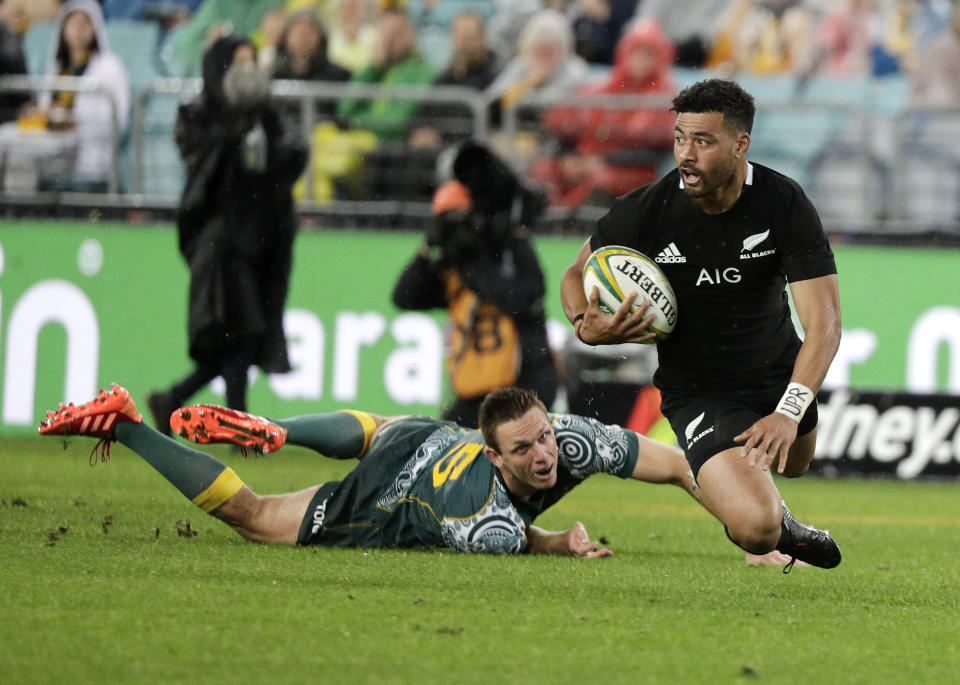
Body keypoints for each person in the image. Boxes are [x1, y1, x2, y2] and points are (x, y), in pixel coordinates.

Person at [37, 384, 837, 563]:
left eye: (543, 440)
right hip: (395, 494)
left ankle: (279, 427)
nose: (544, 455)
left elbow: (676, 464)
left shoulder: (570, 438)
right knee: (250, 514)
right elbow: (519, 540)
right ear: (499, 457)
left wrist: (746, 532)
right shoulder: (484, 517)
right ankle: (128, 422)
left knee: (384, 426)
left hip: (417, 433)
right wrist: (558, 543)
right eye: (525, 450)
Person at [559, 79, 843, 571]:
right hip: (699, 388)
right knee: (756, 531)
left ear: (740, 144)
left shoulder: (782, 203)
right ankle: (783, 527)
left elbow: (826, 325)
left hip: (776, 372)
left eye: (703, 141)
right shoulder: (649, 209)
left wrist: (789, 411)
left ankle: (776, 507)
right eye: (679, 138)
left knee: (795, 465)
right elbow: (575, 272)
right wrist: (586, 324)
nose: (685, 154)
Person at [145, 36, 308, 435]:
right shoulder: (199, 115)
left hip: (264, 239)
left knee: (241, 338)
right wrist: (232, 129)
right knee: (241, 333)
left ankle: (173, 399)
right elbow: (202, 168)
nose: (247, 71)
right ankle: (241, 428)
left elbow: (292, 158)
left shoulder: (270, 116)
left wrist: (262, 122)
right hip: (222, 241)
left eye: (253, 62)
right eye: (238, 63)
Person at [392, 141, 558, 428]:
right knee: (443, 452)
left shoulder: (511, 246)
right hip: (474, 385)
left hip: (523, 383)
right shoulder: (453, 261)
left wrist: (477, 270)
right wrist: (430, 246)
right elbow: (405, 297)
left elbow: (525, 300)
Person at [533, 17, 678, 207]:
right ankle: (545, 223)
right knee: (543, 172)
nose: (640, 60)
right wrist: (568, 157)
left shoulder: (665, 97)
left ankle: (572, 222)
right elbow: (564, 127)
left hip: (634, 170)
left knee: (601, 180)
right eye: (636, 51)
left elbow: (657, 149)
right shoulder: (600, 90)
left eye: (648, 53)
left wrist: (605, 160)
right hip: (588, 159)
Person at [35, 0, 130, 191]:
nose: (79, 29)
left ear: (95, 28)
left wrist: (76, 119)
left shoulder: (110, 67)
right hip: (53, 157)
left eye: (85, 23)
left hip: (93, 162)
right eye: (73, 23)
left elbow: (120, 118)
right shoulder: (55, 67)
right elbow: (44, 107)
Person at [335, 9, 435, 141]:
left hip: (396, 152)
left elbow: (398, 121)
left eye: (396, 34)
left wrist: (358, 123)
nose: (389, 41)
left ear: (410, 36)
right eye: (384, 34)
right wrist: (373, 70)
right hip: (362, 147)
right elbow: (344, 111)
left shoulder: (423, 72)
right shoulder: (372, 69)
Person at [407, 11, 501, 150]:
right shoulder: (446, 75)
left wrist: (441, 138)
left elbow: (484, 122)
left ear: (481, 38)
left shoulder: (493, 76)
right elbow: (423, 112)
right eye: (459, 36)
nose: (463, 43)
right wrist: (421, 131)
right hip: (437, 149)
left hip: (469, 151)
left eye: (469, 37)